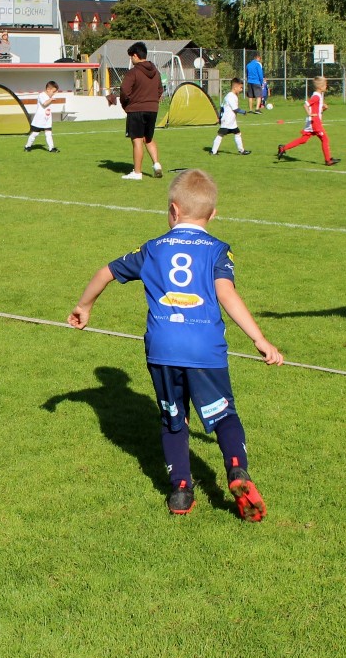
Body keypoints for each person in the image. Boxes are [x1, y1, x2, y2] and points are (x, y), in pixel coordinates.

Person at [67, 168, 282, 519]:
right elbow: (226, 293)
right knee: (224, 415)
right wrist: (259, 338)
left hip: (163, 349)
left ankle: (181, 490)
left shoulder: (152, 249)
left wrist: (84, 306)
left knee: (173, 418)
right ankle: (236, 470)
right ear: (212, 214)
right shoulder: (218, 250)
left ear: (173, 210)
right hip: (205, 350)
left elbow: (106, 272)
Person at [118, 42, 164, 180]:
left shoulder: (134, 72)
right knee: (148, 138)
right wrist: (153, 101)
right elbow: (160, 90)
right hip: (153, 109)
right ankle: (156, 164)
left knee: (137, 140)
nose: (131, 60)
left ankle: (137, 173)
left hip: (136, 109)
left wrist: (126, 104)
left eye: (131, 57)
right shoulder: (156, 72)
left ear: (135, 55)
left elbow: (124, 90)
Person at [276, 76, 333, 165]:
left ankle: (283, 148)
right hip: (315, 123)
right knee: (325, 139)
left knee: (303, 140)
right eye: (325, 85)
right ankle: (328, 160)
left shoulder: (318, 95)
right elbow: (306, 105)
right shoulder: (316, 97)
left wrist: (324, 108)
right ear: (320, 87)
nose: (326, 86)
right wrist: (309, 114)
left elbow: (317, 111)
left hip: (313, 121)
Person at [211, 76, 250, 157]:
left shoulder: (231, 96)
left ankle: (241, 150)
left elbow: (222, 107)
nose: (241, 89)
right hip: (227, 120)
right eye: (240, 88)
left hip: (232, 121)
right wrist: (243, 112)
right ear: (235, 87)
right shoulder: (230, 96)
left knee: (237, 133)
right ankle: (213, 151)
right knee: (220, 135)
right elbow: (235, 109)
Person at [25, 80, 63, 152]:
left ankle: (51, 148)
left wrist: (51, 98)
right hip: (39, 119)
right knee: (34, 134)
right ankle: (27, 146)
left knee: (48, 134)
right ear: (48, 89)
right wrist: (51, 99)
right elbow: (44, 104)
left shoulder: (49, 96)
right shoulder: (41, 95)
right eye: (53, 92)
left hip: (47, 119)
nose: (54, 94)